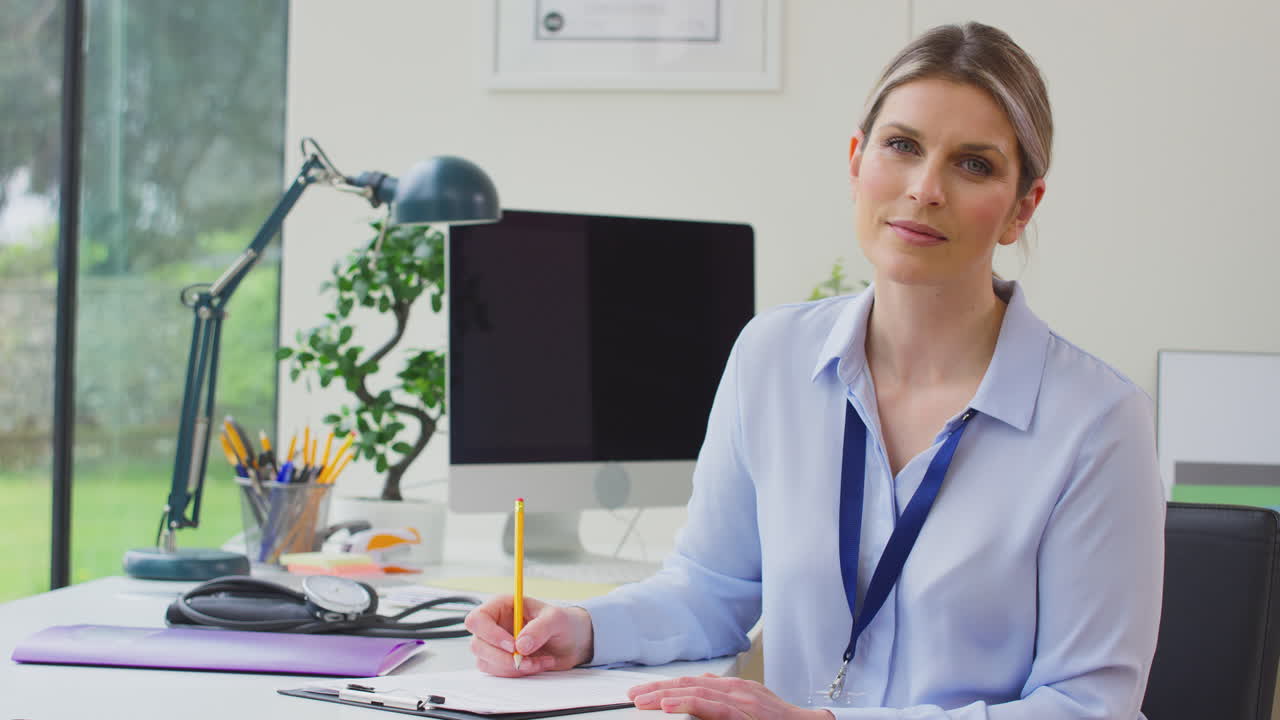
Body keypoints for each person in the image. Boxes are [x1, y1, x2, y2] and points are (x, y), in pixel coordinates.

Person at [465, 21, 1165, 720]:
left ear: (1022, 209)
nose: (925, 189)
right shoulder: (771, 359)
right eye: (903, 146)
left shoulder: (1098, 422)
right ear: (858, 160)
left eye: (973, 164)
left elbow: (1088, 706)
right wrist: (582, 631)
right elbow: (712, 589)